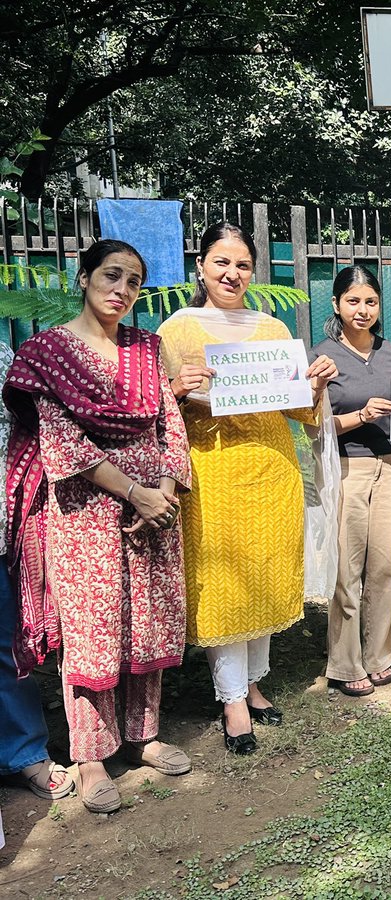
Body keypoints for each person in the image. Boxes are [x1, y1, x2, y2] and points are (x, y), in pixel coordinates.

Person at [4, 240, 192, 813]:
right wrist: (134, 492)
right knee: (93, 626)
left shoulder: (146, 348)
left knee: (147, 619)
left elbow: (170, 422)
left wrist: (164, 490)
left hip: (153, 505)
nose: (123, 290)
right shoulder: (46, 353)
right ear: (83, 277)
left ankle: (143, 736)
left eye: (134, 281)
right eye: (112, 275)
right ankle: (90, 756)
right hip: (85, 505)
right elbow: (62, 442)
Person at [157, 222, 337, 753]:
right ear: (201, 267)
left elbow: (298, 407)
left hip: (271, 466)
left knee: (262, 577)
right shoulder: (178, 330)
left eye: (241, 265)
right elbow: (161, 408)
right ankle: (231, 698)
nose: (232, 274)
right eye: (221, 263)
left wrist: (317, 384)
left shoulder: (274, 332)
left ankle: (254, 684)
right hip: (212, 471)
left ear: (252, 272)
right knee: (224, 584)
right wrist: (177, 392)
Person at [310, 266, 391, 697]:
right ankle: (345, 663)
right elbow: (312, 425)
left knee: (386, 567)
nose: (362, 309)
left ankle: (380, 655)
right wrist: (360, 416)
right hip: (346, 470)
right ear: (336, 305)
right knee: (347, 570)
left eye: (370, 301)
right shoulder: (323, 357)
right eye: (353, 301)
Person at [0, 339, 75, 802]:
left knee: (8, 643)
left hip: (3, 520)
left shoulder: (2, 354)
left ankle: (23, 752)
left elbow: (28, 429)